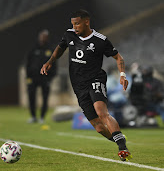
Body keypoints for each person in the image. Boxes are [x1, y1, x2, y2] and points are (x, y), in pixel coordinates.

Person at [40, 10, 132, 161]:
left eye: (77, 23)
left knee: (101, 112)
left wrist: (122, 75)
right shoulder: (69, 35)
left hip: (95, 79)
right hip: (78, 85)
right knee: (98, 127)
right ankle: (118, 139)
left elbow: (118, 57)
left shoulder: (100, 40)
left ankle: (122, 148)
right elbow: (60, 47)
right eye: (73, 24)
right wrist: (50, 61)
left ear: (86, 22)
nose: (74, 27)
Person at [26, 30, 56, 123]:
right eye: (42, 36)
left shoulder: (50, 49)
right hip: (33, 78)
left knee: (45, 98)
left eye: (45, 36)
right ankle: (33, 116)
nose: (43, 38)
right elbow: (28, 63)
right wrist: (28, 77)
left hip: (45, 78)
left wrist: (50, 78)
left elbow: (54, 65)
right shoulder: (33, 48)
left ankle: (42, 117)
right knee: (31, 97)